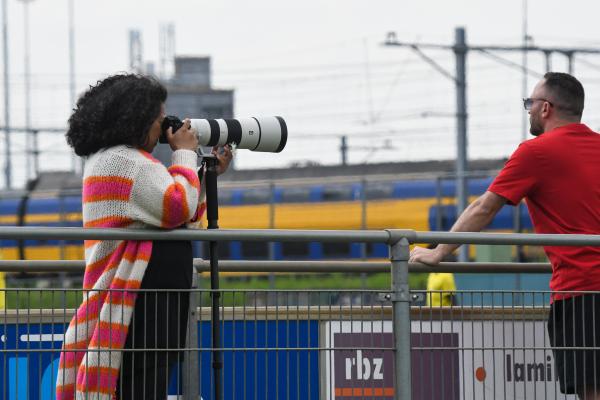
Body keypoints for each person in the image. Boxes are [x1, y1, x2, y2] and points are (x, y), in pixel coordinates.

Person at [409, 72, 600, 399]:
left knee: (591, 391)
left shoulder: (536, 152)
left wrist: (438, 252)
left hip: (581, 292)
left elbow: (484, 207)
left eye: (530, 103)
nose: (528, 110)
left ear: (545, 108)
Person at [55, 74, 233, 400]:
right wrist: (184, 154)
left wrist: (205, 174)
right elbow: (177, 206)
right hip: (141, 306)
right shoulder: (126, 162)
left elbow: (182, 211)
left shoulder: (116, 159)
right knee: (141, 387)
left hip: (146, 303)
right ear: (136, 117)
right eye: (158, 118)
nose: (161, 128)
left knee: (142, 385)